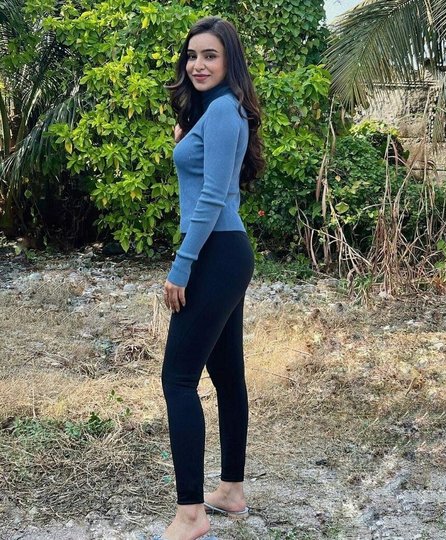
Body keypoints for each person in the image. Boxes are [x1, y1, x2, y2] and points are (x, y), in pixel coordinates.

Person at [156, 15, 265, 540]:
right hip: (226, 251)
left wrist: (182, 264)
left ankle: (191, 515)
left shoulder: (223, 111)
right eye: (192, 55)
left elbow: (213, 197)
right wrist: (187, 136)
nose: (198, 64)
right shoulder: (219, 111)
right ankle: (231, 491)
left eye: (210, 56)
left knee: (178, 379)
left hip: (215, 253)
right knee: (225, 375)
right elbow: (212, 178)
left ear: (229, 62)